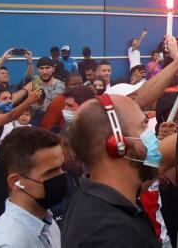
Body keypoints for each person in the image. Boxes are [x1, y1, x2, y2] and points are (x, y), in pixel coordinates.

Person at [62, 94, 166, 247]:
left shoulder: (89, 197)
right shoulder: (114, 233)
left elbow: (167, 155)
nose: (151, 134)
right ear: (117, 144)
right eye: (143, 126)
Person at [0, 126, 66, 248]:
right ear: (16, 182)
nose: (61, 175)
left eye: (61, 167)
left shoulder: (46, 221)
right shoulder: (8, 243)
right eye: (51, 172)